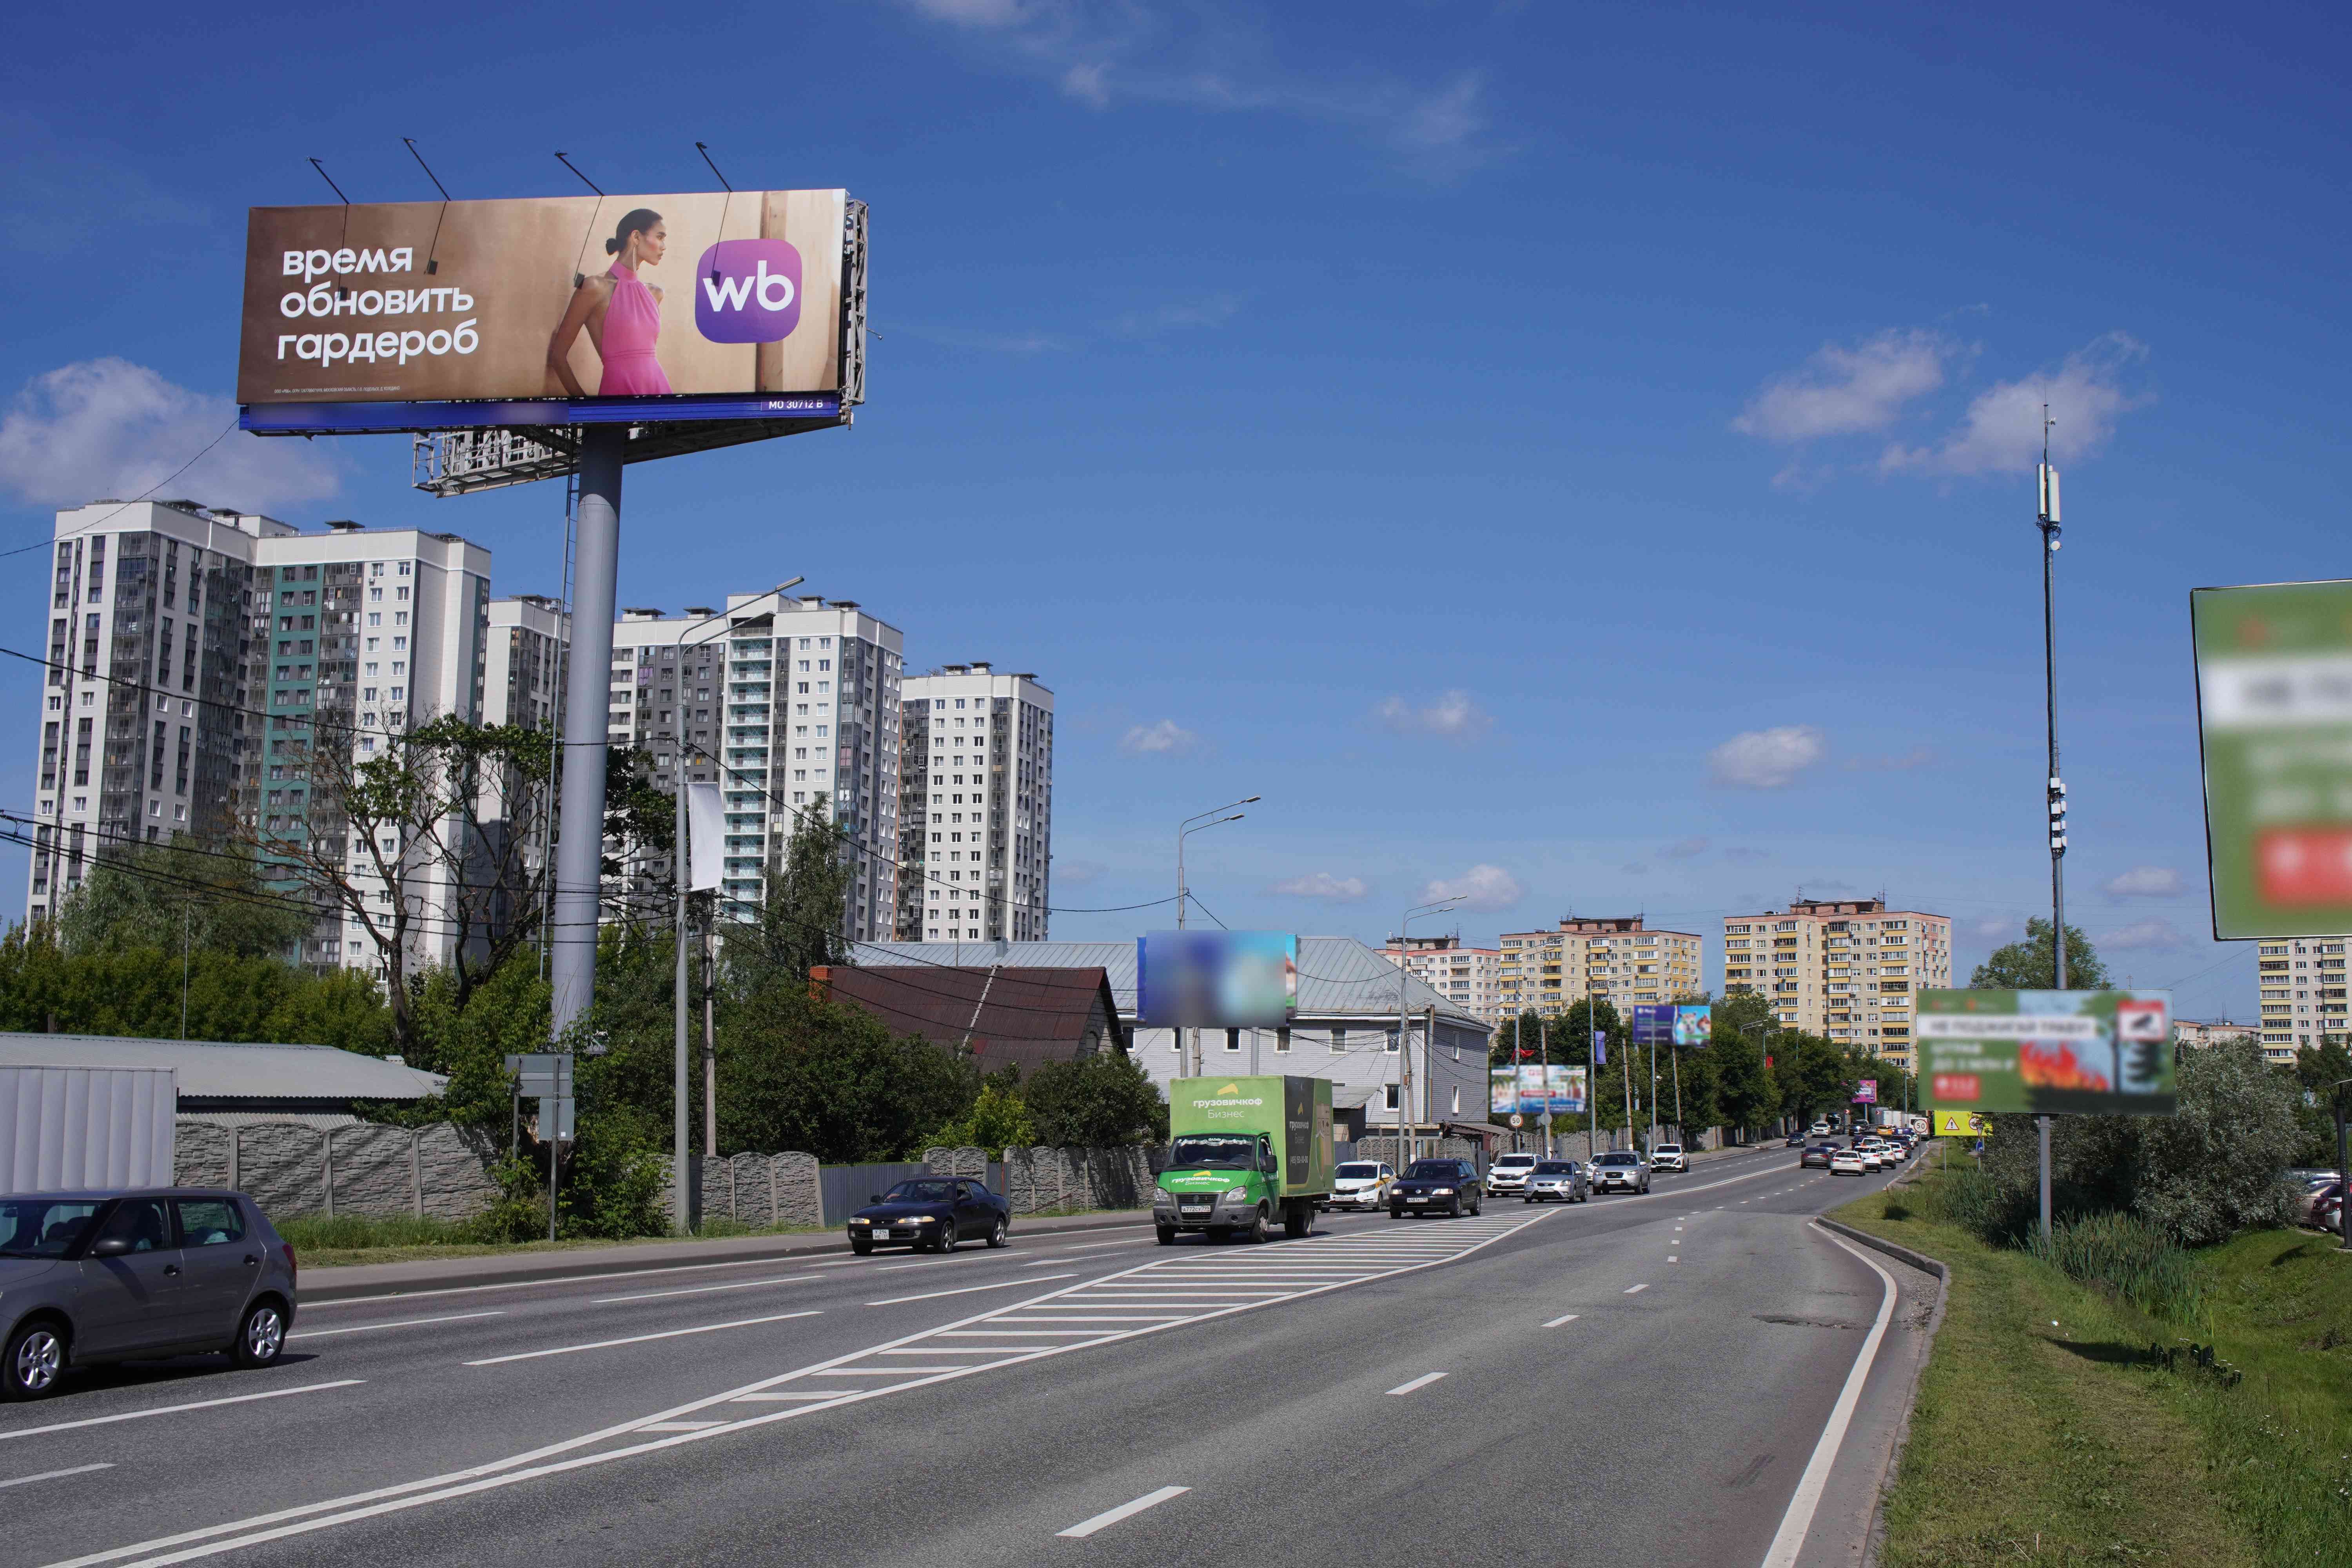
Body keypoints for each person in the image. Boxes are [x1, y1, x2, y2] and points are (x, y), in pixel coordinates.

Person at [545, 209, 673, 397]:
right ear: (636, 237)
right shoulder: (592, 287)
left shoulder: (655, 293)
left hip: (658, 391)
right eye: (660, 237)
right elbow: (558, 356)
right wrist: (589, 408)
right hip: (617, 395)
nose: (664, 246)